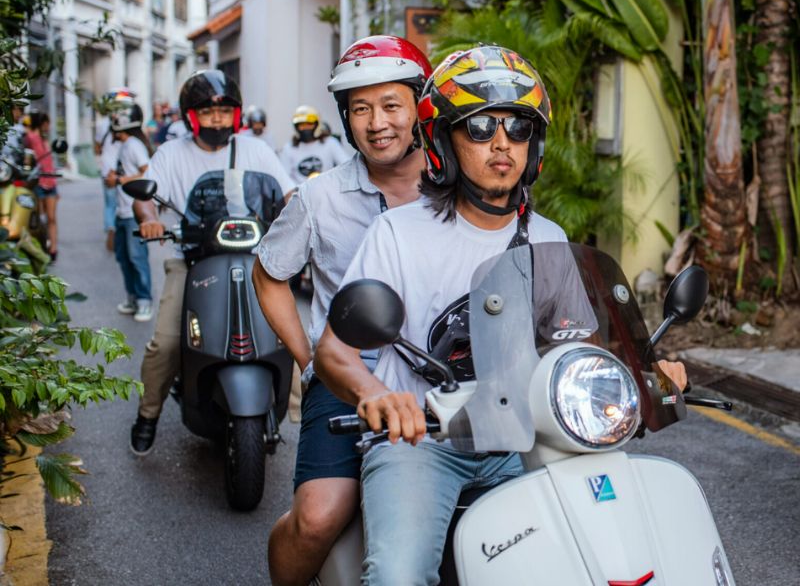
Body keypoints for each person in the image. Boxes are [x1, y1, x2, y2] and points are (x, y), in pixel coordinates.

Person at [314, 45, 688, 584]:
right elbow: (334, 349)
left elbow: (578, 351)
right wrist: (377, 395)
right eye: (480, 126)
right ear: (443, 140)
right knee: (398, 574)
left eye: (518, 129)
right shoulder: (399, 233)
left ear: (532, 146)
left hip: (525, 438)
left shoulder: (547, 238)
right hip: (425, 442)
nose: (501, 144)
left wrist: (647, 375)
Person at [252, 35, 432, 586]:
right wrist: (312, 359)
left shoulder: (457, 188)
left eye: (391, 105)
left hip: (446, 374)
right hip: (352, 375)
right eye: (360, 109)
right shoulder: (319, 197)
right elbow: (268, 274)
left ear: (421, 110)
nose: (376, 123)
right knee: (318, 517)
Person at [129, 69, 295, 456]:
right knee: (167, 342)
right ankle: (148, 414)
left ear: (235, 114)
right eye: (207, 112)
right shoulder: (171, 153)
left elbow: (288, 193)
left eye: (223, 111)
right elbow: (144, 196)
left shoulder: (256, 149)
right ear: (191, 116)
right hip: (189, 261)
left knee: (291, 333)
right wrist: (150, 219)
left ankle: (306, 417)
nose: (216, 119)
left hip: (254, 258)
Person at [105, 103, 153, 322]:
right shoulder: (125, 146)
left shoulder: (134, 145)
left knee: (137, 258)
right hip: (121, 211)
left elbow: (147, 171)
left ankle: (144, 301)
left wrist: (122, 179)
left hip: (134, 212)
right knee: (124, 257)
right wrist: (113, 177)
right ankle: (132, 298)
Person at [95, 89, 136, 251]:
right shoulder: (125, 122)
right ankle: (119, 232)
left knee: (110, 204)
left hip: (107, 168)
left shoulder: (101, 124)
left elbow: (97, 147)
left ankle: (112, 230)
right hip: (121, 169)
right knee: (122, 203)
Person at [278, 104, 349, 185]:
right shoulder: (288, 148)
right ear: (296, 127)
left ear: (317, 124)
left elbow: (346, 166)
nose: (305, 128)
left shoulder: (330, 143)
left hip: (327, 191)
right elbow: (283, 177)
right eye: (302, 125)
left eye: (309, 124)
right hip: (299, 194)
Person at [23, 111, 59, 260]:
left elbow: (49, 163)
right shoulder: (31, 138)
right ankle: (39, 247)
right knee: (37, 219)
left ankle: (53, 249)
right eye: (46, 124)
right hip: (38, 182)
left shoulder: (45, 140)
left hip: (50, 182)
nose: (48, 127)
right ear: (41, 123)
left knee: (51, 218)